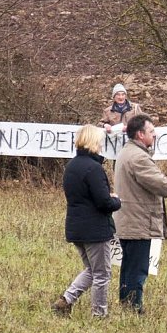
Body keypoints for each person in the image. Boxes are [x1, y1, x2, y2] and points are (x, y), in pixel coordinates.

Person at [113, 114, 167, 314]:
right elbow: (160, 183)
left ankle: (126, 305)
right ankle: (134, 308)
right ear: (140, 134)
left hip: (130, 220)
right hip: (138, 222)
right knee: (137, 268)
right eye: (151, 131)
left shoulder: (127, 152)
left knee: (129, 266)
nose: (155, 134)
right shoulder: (138, 158)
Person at [52, 125, 122, 318]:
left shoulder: (71, 166)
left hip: (76, 227)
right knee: (102, 274)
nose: (101, 144)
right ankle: (99, 314)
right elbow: (103, 202)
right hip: (95, 229)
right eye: (100, 140)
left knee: (92, 270)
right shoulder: (94, 168)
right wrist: (116, 200)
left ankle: (65, 300)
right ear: (93, 141)